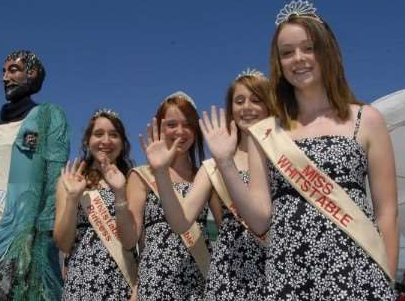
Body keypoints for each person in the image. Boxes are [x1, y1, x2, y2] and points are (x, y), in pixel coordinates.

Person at [202, 0, 398, 300]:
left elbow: (387, 213)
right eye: (287, 53)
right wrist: (226, 163)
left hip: (359, 272)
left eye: (309, 48)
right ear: (279, 64)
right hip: (289, 275)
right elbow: (259, 220)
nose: (299, 58)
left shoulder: (366, 119)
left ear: (327, 51)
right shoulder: (265, 132)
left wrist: (387, 278)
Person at [146, 72, 272, 300]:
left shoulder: (286, 153)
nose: (247, 107)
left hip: (281, 265)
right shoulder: (213, 166)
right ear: (231, 108)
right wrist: (162, 173)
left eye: (257, 100)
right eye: (239, 101)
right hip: (230, 276)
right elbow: (180, 221)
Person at [0, 50, 70, 299]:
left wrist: (45, 225)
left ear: (32, 74)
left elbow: (54, 176)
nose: (5, 77)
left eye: (13, 70)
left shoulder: (49, 116)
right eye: (3, 71)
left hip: (24, 223)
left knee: (14, 289)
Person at [116, 92, 213, 300]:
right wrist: (119, 198)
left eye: (187, 124)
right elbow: (129, 238)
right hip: (155, 284)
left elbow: (225, 228)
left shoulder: (206, 175)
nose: (180, 131)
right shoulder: (142, 176)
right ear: (159, 128)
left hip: (200, 282)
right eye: (171, 124)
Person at [54, 108, 137, 300]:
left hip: (122, 284)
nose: (106, 141)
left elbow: (139, 241)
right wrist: (74, 198)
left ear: (123, 143)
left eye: (114, 135)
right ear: (87, 140)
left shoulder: (133, 180)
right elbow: (63, 244)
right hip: (81, 283)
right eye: (98, 134)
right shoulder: (69, 180)